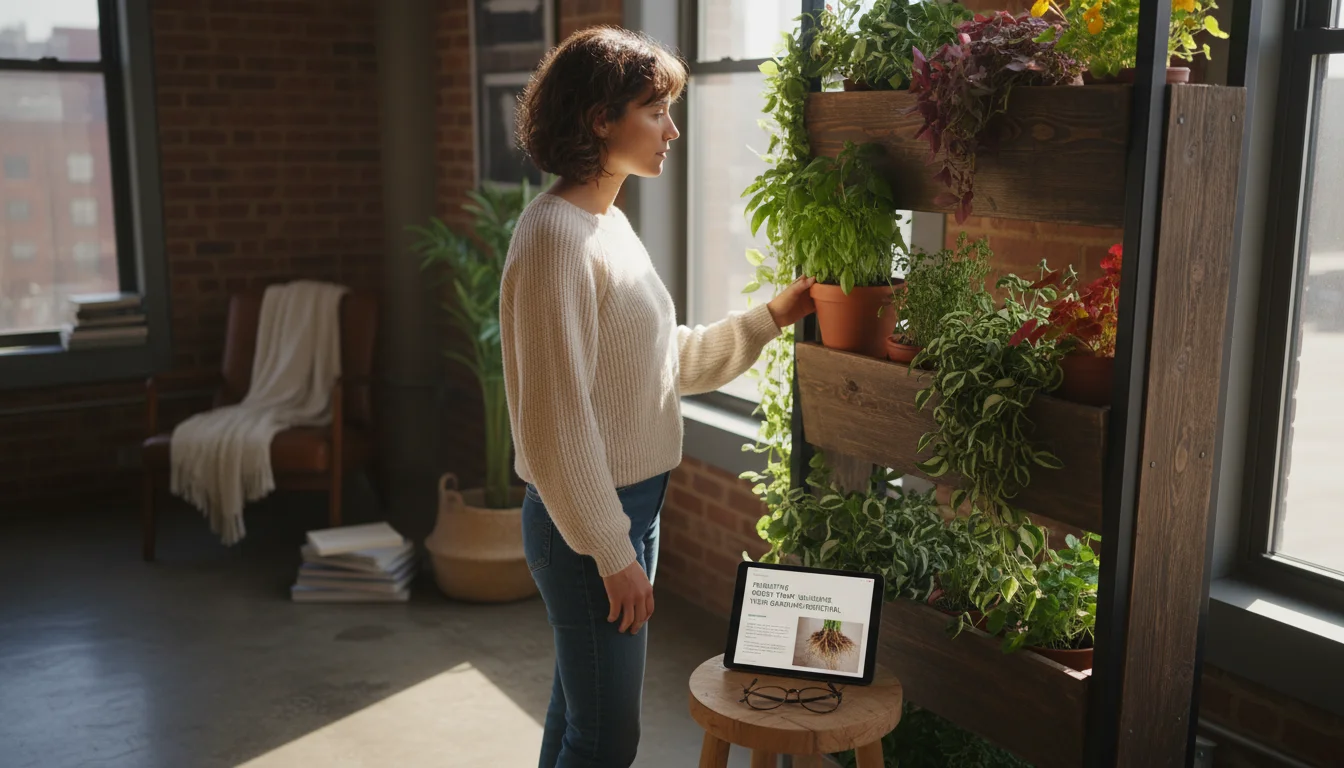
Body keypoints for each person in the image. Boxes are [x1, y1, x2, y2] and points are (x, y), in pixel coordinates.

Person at [500, 26, 817, 768]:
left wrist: (770, 318)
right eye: (654, 109)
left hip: (626, 510)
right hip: (586, 525)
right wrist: (612, 551)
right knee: (609, 739)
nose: (672, 129)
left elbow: (658, 363)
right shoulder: (554, 237)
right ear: (598, 119)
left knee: (579, 716)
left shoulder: (609, 226)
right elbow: (555, 422)